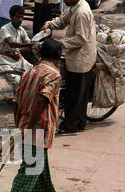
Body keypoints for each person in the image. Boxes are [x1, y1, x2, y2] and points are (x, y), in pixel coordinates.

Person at [0, 39, 63, 192]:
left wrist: (20, 124)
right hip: (38, 130)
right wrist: (30, 126)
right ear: (57, 57)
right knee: (30, 171)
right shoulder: (54, 75)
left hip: (26, 126)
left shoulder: (30, 71)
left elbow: (16, 98)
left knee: (39, 167)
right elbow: (43, 99)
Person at [41, 0, 96, 134]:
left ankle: (70, 126)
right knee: (80, 95)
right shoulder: (74, 6)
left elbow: (81, 38)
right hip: (80, 55)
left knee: (75, 96)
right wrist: (49, 25)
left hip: (81, 59)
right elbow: (63, 19)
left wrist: (60, 43)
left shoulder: (81, 12)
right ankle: (80, 123)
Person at [0, 5, 34, 84]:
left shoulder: (21, 30)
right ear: (11, 17)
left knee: (33, 74)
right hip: (4, 61)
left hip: (18, 59)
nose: (20, 20)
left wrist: (34, 46)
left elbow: (28, 42)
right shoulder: (4, 29)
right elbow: (12, 44)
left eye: (22, 17)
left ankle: (21, 95)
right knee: (16, 80)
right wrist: (29, 45)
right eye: (18, 17)